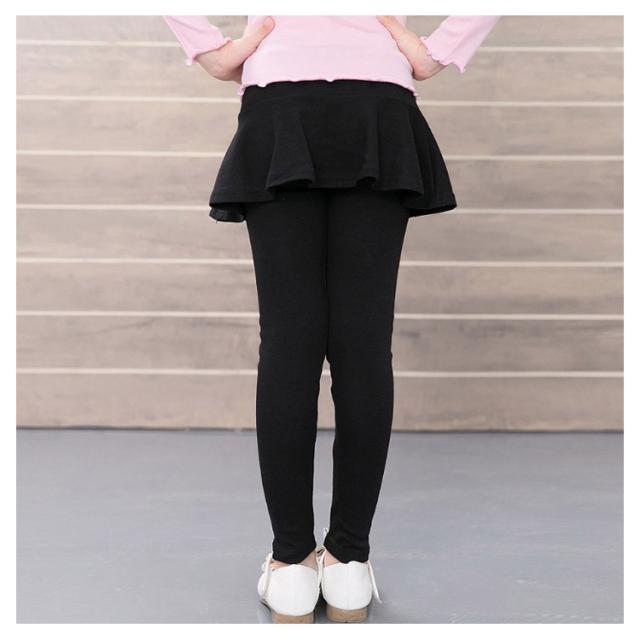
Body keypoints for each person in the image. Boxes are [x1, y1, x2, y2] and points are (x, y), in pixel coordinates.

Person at [164, 14, 500, 624]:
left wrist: (213, 51)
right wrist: (432, 52)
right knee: (363, 345)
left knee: (288, 343)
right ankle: (348, 566)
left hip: (281, 97)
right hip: (377, 101)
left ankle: (292, 566)